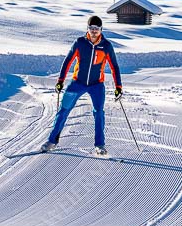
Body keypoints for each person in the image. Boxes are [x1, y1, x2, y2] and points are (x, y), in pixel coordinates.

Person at [42, 15, 123, 156]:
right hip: (77, 83)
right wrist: (60, 81)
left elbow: (114, 66)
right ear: (88, 29)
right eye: (91, 28)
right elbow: (68, 61)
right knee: (63, 110)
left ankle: (100, 145)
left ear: (101, 29)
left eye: (96, 29)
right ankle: (52, 141)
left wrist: (118, 87)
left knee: (99, 113)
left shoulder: (106, 46)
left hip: (96, 85)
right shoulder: (80, 43)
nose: (93, 31)